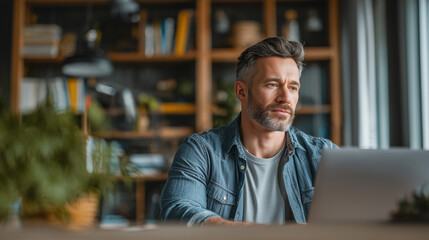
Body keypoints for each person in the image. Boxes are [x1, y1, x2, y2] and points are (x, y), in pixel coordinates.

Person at [159, 36, 338, 226]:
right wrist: (245, 233)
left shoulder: (324, 156)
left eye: (293, 87)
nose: (285, 97)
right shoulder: (201, 151)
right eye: (272, 84)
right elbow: (177, 210)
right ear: (242, 91)